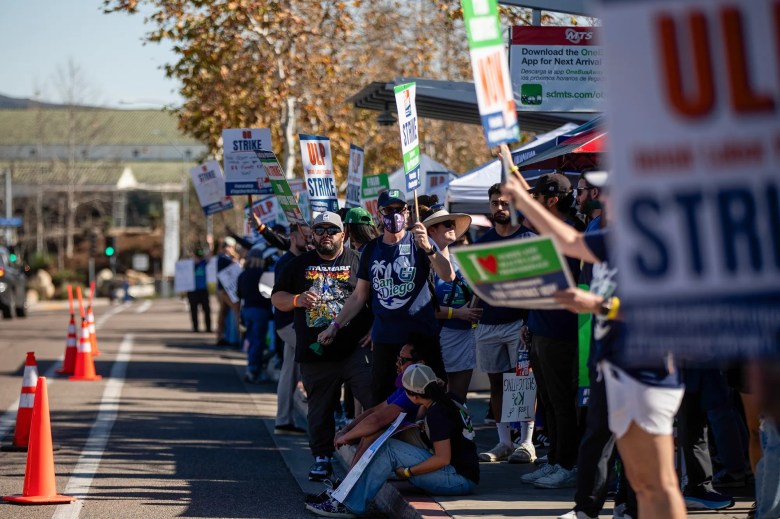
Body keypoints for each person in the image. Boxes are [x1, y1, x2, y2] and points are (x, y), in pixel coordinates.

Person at [501, 150, 686, 519]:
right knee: (596, 440)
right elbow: (566, 238)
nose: (602, 197)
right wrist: (521, 196)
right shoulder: (606, 234)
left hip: (646, 368)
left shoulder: (654, 240)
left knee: (654, 476)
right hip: (608, 361)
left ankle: (631, 510)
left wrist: (599, 306)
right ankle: (588, 510)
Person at [317, 189, 454, 404]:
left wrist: (428, 247)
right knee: (383, 399)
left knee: (433, 396)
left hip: (422, 336)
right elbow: (358, 296)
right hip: (386, 340)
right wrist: (334, 326)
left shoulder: (421, 243)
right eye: (388, 210)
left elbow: (448, 275)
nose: (394, 215)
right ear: (379, 215)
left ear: (407, 213)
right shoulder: (371, 250)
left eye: (399, 209)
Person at [271, 211, 373, 482]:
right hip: (315, 350)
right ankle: (322, 457)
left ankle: (371, 452)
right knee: (320, 408)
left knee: (373, 397)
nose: (325, 234)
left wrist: (374, 329)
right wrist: (297, 300)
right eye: (319, 230)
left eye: (332, 229)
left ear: (344, 234)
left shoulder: (359, 261)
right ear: (312, 235)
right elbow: (277, 298)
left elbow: (377, 298)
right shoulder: (298, 264)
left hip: (355, 348)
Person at [305, 363, 479, 518]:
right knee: (385, 439)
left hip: (458, 480)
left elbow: (443, 458)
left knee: (389, 449)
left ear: (414, 396)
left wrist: (408, 472)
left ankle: (349, 504)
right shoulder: (448, 399)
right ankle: (345, 491)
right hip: (461, 471)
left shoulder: (437, 413)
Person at [524, 174, 582, 489]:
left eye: (537, 196)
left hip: (561, 331)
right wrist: (528, 322)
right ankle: (554, 460)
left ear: (552, 199)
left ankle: (566, 463)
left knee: (561, 402)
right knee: (547, 400)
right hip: (540, 328)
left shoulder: (570, 235)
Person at [474, 183, 536, 464]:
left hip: (519, 323)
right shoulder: (483, 243)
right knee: (496, 384)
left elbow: (540, 285)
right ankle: (503, 443)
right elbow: (478, 286)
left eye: (504, 203)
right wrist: (471, 311)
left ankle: (526, 442)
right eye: (494, 203)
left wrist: (531, 321)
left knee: (522, 383)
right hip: (488, 324)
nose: (499, 208)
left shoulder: (529, 239)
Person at [419, 200, 482, 401]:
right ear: (431, 231)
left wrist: (473, 307)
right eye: (447, 224)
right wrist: (458, 313)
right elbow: (422, 307)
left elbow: (475, 293)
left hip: (465, 336)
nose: (452, 227)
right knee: (437, 398)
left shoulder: (459, 261)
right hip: (438, 336)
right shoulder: (423, 262)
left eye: (453, 223)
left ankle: (459, 432)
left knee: (459, 399)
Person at [332, 341, 428, 468]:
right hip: (416, 441)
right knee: (372, 432)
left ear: (420, 363)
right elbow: (374, 411)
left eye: (402, 360)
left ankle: (348, 485)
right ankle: (348, 485)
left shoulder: (418, 388)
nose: (397, 364)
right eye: (397, 359)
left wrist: (345, 437)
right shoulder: (410, 385)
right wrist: (346, 430)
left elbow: (377, 420)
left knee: (374, 432)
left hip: (428, 451)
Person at [273, 223, 312, 435]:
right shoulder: (287, 263)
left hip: (290, 324)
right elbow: (278, 296)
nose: (309, 240)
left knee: (289, 373)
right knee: (315, 356)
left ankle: (283, 420)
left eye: (310, 236)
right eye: (305, 236)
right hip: (290, 324)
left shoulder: (293, 260)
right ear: (293, 237)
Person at [236, 247, 273, 383]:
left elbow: (239, 294)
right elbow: (270, 296)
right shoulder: (266, 274)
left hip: (247, 310)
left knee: (251, 340)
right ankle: (253, 369)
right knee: (259, 342)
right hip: (261, 311)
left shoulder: (243, 274)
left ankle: (252, 367)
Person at [216, 237, 240, 346]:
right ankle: (224, 337)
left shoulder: (225, 257)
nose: (228, 248)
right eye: (226, 246)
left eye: (230, 246)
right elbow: (236, 263)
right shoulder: (222, 258)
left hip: (227, 291)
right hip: (224, 291)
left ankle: (223, 336)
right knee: (234, 311)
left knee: (223, 314)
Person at [187, 247, 212, 333]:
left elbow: (209, 257)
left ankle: (208, 327)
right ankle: (195, 327)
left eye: (200, 257)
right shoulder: (189, 264)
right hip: (192, 291)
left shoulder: (203, 263)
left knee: (207, 310)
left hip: (203, 290)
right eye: (198, 256)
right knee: (193, 310)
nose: (199, 258)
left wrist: (210, 244)